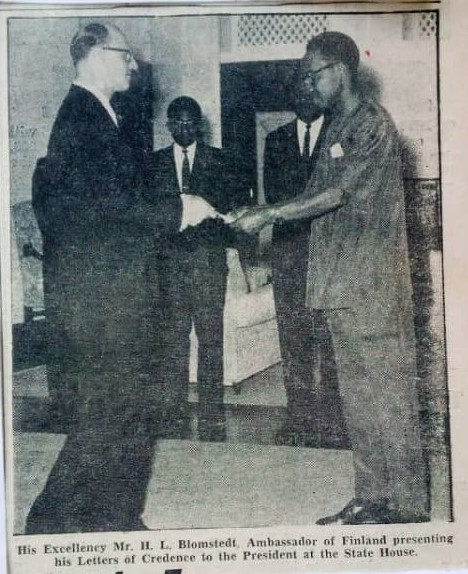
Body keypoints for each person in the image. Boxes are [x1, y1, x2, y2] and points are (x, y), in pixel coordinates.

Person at [231, 31, 428, 524]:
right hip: (340, 285)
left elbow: (336, 194)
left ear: (339, 70)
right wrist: (256, 210)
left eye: (311, 74)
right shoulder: (338, 126)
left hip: (372, 287)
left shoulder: (372, 125)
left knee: (389, 397)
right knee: (358, 400)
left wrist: (270, 213)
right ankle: (371, 496)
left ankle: (407, 507)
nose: (307, 85)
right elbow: (311, 193)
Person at [27, 23, 217, 534]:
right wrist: (180, 209)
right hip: (102, 298)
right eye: (124, 55)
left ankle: (116, 518)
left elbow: (115, 202)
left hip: (115, 290)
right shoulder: (80, 118)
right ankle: (47, 526)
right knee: (108, 414)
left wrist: (177, 204)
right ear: (92, 54)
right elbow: (105, 208)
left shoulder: (100, 114)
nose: (134, 64)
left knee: (128, 410)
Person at [147, 96, 249, 442]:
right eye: (178, 122)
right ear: (169, 126)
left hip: (207, 263)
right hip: (170, 267)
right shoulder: (153, 164)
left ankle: (211, 413)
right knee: (173, 340)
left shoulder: (221, 160)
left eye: (190, 122)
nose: (184, 128)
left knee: (210, 339)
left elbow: (231, 210)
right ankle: (173, 412)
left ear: (199, 125)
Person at [264, 74, 335, 447]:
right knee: (292, 339)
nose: (305, 97)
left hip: (328, 254)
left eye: (311, 89)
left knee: (329, 338)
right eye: (298, 91)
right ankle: (299, 419)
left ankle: (334, 421)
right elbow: (274, 198)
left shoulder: (339, 136)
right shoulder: (274, 140)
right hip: (289, 255)